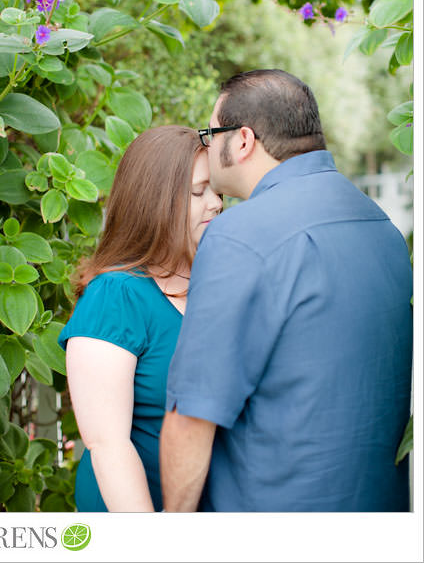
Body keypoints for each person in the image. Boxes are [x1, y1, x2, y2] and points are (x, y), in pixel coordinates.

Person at [160, 69, 413, 512]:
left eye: (210, 133)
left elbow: (193, 417)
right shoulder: (382, 228)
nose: (207, 145)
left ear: (242, 140)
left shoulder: (239, 235)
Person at [57, 126, 223, 511]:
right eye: (199, 192)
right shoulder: (116, 295)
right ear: (155, 201)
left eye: (217, 190)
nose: (215, 203)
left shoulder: (216, 281)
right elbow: (107, 443)